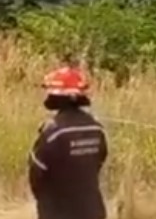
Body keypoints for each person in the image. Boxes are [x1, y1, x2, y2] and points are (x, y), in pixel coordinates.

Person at [28, 65, 108, 219]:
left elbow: (36, 173)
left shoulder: (53, 133)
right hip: (93, 211)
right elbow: (99, 161)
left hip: (58, 212)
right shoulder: (97, 129)